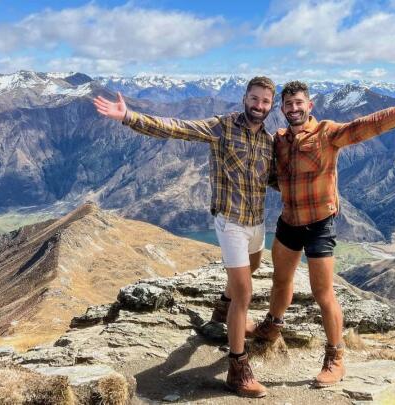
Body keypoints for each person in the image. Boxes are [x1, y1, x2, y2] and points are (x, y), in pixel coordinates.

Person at [252, 80, 395, 388]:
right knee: (280, 279)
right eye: (288, 105)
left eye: (299, 103)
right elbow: (270, 172)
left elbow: (367, 126)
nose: (294, 109)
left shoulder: (327, 133)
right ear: (282, 109)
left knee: (322, 292)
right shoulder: (278, 140)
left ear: (309, 106)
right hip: (289, 221)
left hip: (319, 224)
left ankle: (336, 357)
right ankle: (272, 326)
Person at [93, 76, 277, 398]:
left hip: (256, 223)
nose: (259, 106)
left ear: (270, 105)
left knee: (254, 267)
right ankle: (237, 368)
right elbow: (177, 127)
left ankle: (222, 308)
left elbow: (276, 179)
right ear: (245, 98)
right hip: (230, 222)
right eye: (255, 99)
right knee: (245, 294)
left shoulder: (270, 142)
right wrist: (129, 117)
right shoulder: (222, 128)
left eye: (265, 102)